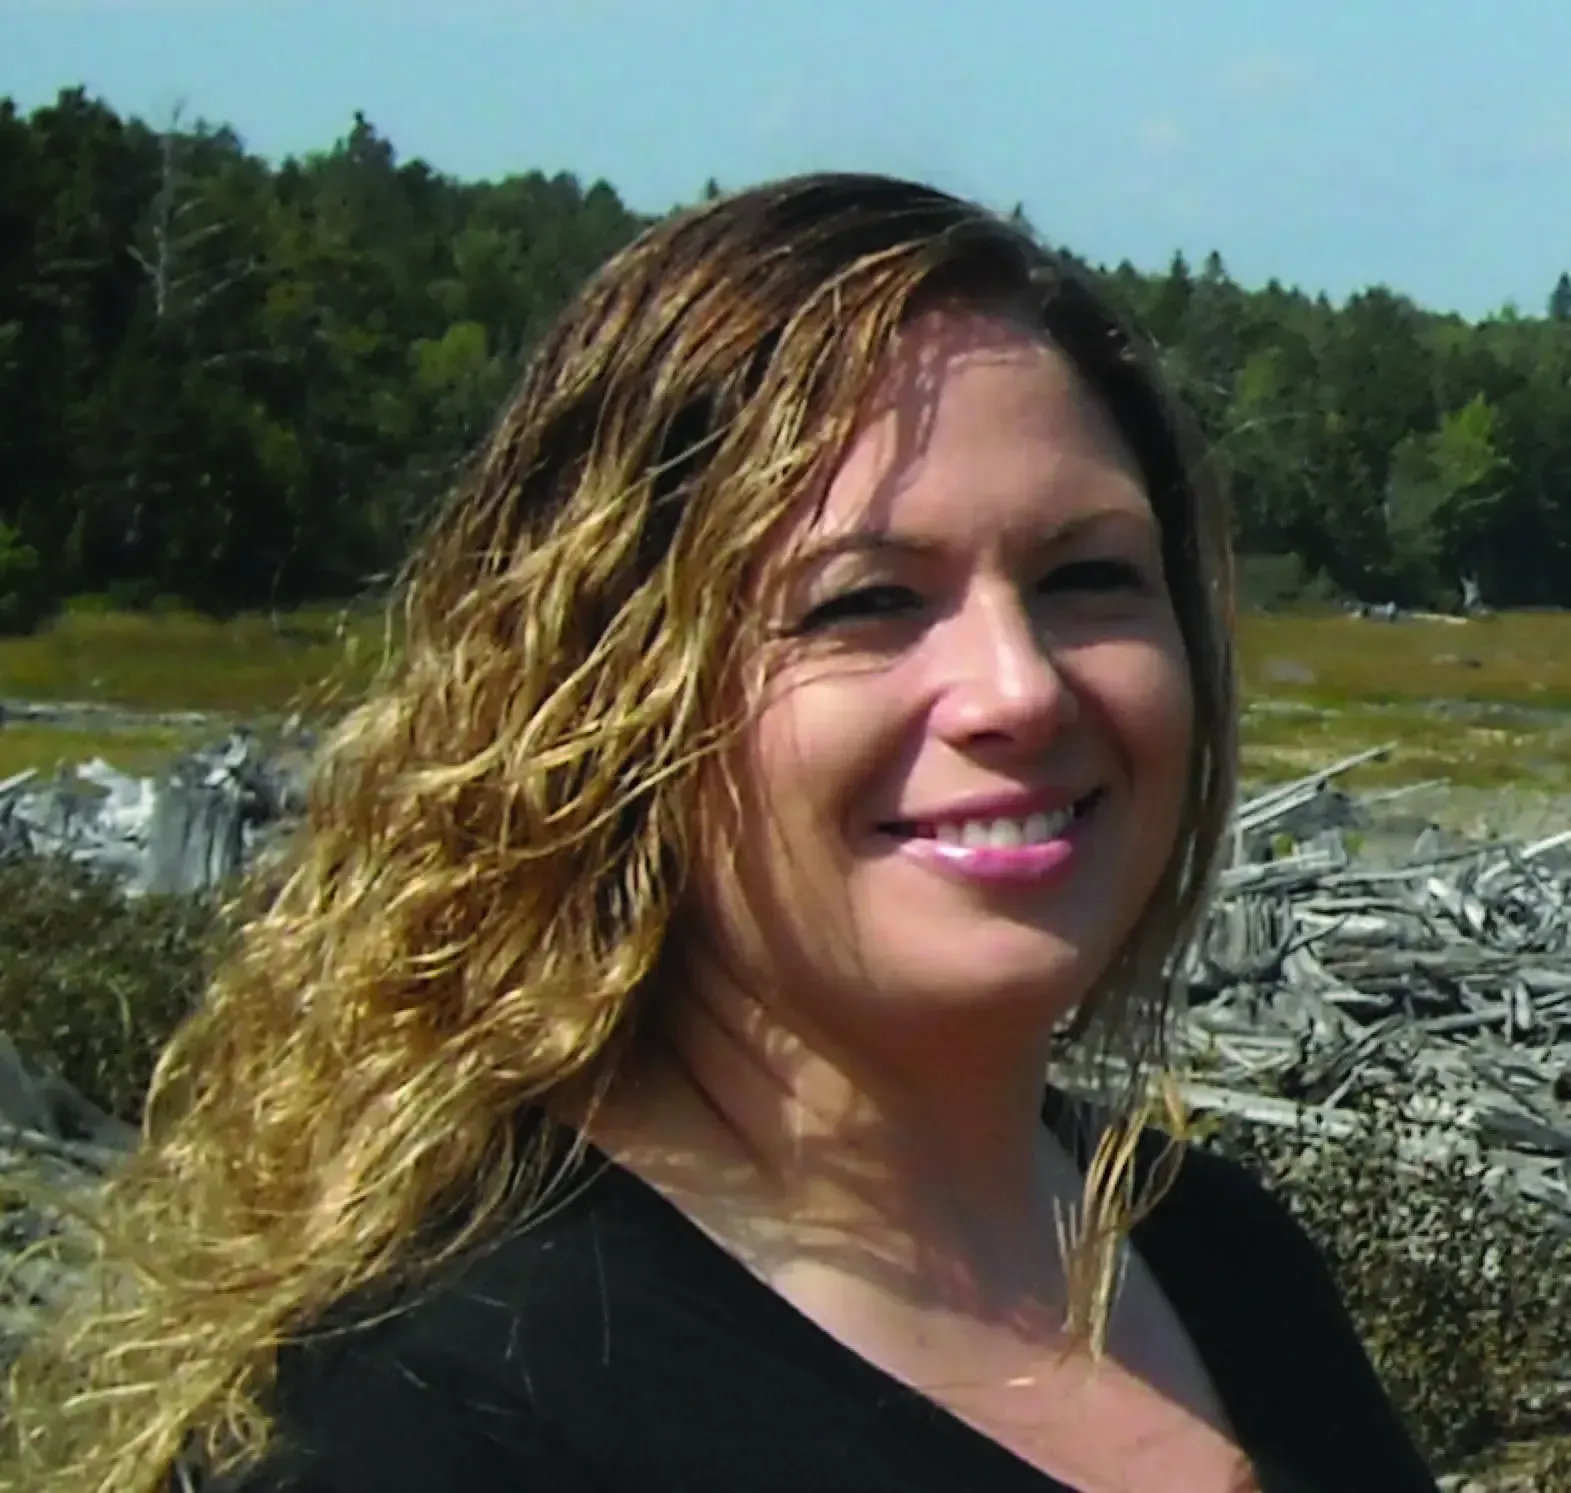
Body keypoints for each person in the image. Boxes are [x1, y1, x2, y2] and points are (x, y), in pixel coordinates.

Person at [4, 173, 1439, 1493]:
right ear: (606, 698)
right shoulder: (430, 1410)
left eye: (1089, 577)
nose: (1017, 688)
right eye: (863, 600)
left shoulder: (1220, 1262)